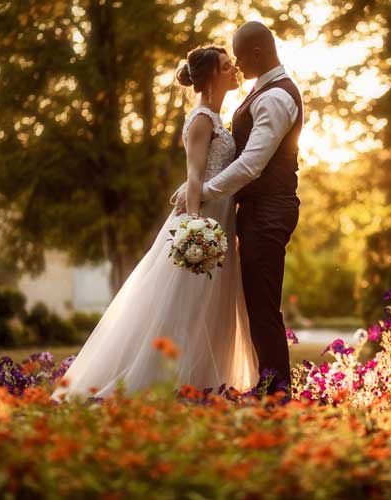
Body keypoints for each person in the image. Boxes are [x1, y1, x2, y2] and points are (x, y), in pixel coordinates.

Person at [50, 45, 260, 403]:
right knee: (183, 302)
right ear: (210, 76)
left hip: (222, 220)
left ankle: (203, 384)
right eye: (226, 66)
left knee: (211, 303)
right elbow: (194, 176)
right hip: (203, 222)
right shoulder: (201, 120)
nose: (234, 70)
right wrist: (194, 228)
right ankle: (161, 382)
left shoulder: (217, 118)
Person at [175, 21, 304, 395]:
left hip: (269, 212)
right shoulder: (260, 93)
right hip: (252, 212)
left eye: (240, 57)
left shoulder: (276, 97)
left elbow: (252, 164)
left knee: (263, 307)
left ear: (259, 54)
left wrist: (200, 192)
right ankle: (267, 388)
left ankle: (277, 395)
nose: (237, 64)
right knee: (253, 305)